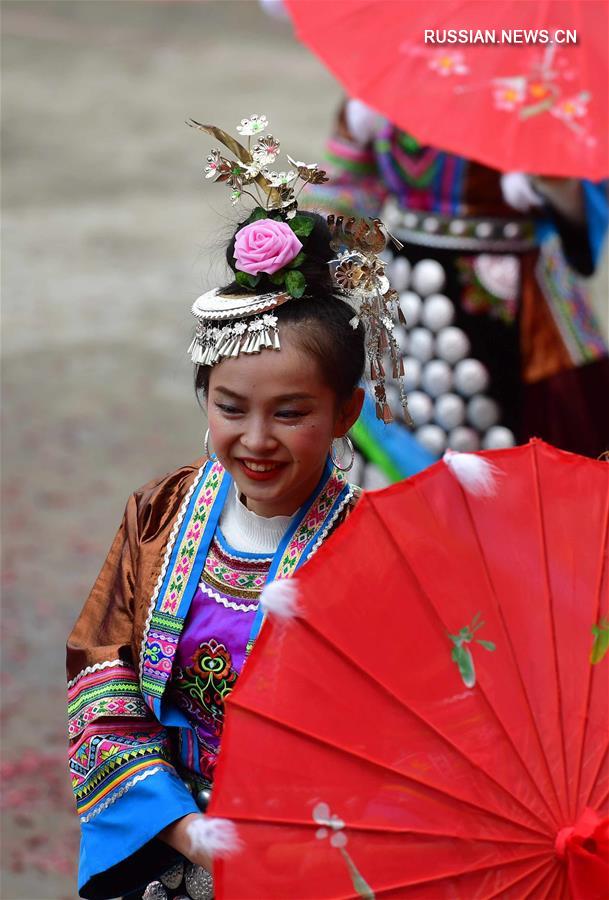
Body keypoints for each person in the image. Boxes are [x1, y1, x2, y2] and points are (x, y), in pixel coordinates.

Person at [66, 114, 406, 900]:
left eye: (291, 412)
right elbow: (102, 669)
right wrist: (180, 825)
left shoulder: (377, 548)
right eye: (230, 406)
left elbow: (403, 732)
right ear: (204, 398)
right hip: (170, 840)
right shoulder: (160, 513)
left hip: (316, 859)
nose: (256, 438)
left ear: (347, 412)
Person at [303, 100, 609, 460]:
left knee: (547, 455)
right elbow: (345, 188)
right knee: (401, 441)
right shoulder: (388, 87)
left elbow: (588, 205)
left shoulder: (544, 89)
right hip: (410, 298)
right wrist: (308, 239)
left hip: (525, 297)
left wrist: (557, 183)